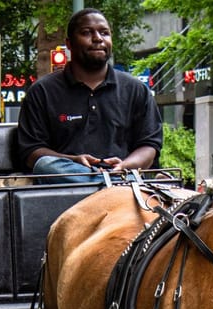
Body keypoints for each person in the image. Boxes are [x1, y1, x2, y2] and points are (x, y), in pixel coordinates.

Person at [17, 8, 163, 183]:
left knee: (132, 176)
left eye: (104, 33)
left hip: (123, 183)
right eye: (87, 32)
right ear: (69, 44)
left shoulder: (136, 89)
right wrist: (74, 161)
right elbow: (31, 152)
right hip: (66, 186)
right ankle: (104, 183)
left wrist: (124, 166)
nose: (98, 38)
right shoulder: (42, 91)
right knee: (46, 165)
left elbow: (150, 146)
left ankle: (109, 182)